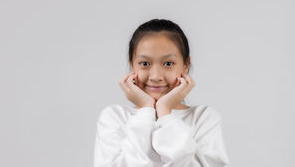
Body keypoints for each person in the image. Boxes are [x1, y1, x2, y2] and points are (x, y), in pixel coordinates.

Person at [93, 18, 230, 166]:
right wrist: (146, 109)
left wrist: (165, 113)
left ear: (186, 65)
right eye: (144, 64)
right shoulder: (115, 117)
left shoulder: (203, 118)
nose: (156, 76)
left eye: (168, 64)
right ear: (132, 65)